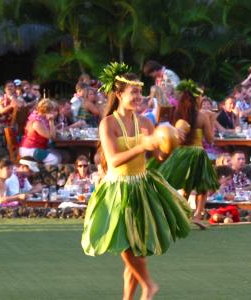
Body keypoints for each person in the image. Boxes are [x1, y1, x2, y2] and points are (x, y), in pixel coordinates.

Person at [81, 63, 191, 300]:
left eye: (140, 93)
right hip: (118, 188)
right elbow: (113, 160)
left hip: (141, 186)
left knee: (135, 247)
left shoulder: (146, 123)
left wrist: (172, 142)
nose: (139, 97)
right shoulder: (108, 123)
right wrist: (143, 144)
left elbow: (159, 156)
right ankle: (149, 286)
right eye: (134, 93)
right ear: (119, 94)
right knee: (127, 247)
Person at [158, 79, 219, 226]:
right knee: (202, 185)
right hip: (197, 152)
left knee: (185, 185)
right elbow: (210, 140)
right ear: (196, 99)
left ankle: (181, 212)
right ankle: (197, 214)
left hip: (180, 152)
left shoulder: (176, 114)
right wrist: (211, 119)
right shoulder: (202, 116)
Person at [19, 99, 60, 165]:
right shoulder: (37, 123)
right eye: (52, 110)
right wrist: (51, 121)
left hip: (36, 148)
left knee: (59, 154)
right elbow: (52, 137)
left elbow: (52, 134)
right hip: (30, 150)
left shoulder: (40, 119)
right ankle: (43, 173)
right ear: (46, 111)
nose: (54, 113)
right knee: (54, 159)